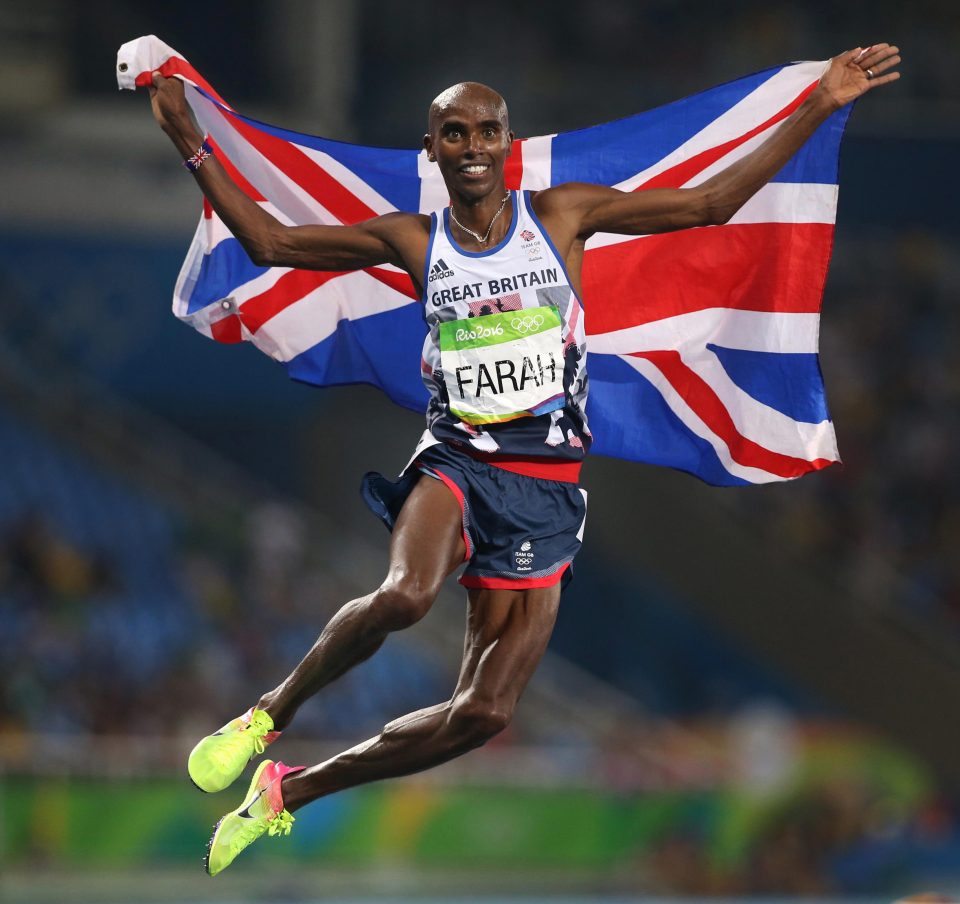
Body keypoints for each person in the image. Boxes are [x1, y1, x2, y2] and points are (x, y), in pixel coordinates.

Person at [147, 43, 900, 875]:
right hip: (458, 459)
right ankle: (265, 717)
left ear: (507, 142)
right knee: (405, 595)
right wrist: (191, 140)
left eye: (486, 131)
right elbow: (270, 241)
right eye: (454, 133)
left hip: (547, 484)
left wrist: (820, 104)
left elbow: (710, 204)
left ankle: (288, 792)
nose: (472, 146)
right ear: (433, 150)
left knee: (485, 714)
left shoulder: (564, 214)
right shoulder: (411, 237)